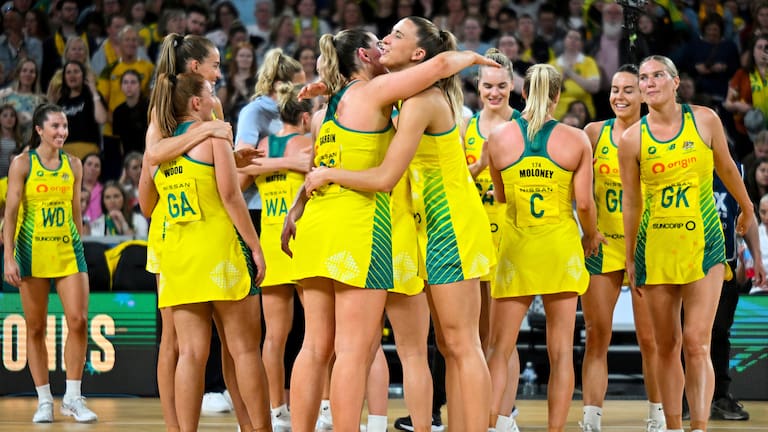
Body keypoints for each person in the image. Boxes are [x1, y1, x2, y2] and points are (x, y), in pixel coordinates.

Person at [299, 19, 498, 432]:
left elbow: (385, 177)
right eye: (384, 36)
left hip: (449, 226)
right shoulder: (403, 96)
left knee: (462, 345)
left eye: (396, 36)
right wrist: (327, 87)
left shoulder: (422, 100)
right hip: (421, 225)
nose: (386, 40)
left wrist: (326, 176)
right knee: (444, 346)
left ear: (418, 54)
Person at [618, 55, 759, 432]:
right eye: (643, 78)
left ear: (676, 81)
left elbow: (727, 167)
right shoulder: (632, 139)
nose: (648, 83)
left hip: (705, 244)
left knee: (697, 343)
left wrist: (747, 208)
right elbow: (631, 202)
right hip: (657, 247)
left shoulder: (705, 119)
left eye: (657, 76)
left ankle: (699, 425)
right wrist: (631, 257)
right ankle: (672, 426)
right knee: (667, 347)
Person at [138, 33, 263, 432]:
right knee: (221, 347)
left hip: (178, 240)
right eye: (215, 66)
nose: (219, 73)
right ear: (195, 73)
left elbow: (156, 174)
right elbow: (228, 194)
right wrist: (211, 135)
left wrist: (224, 149)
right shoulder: (168, 117)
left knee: (192, 350)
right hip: (203, 237)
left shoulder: (192, 110)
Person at [484, 63, 603, 432]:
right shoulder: (576, 138)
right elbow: (584, 204)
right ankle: (555, 430)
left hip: (516, 247)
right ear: (558, 96)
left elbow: (500, 196)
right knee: (561, 352)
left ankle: (490, 424)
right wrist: (591, 236)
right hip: (559, 247)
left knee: (498, 349)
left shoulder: (498, 138)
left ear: (522, 93)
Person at [580, 64, 665, 432]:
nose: (619, 96)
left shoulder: (658, 135)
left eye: (629, 90)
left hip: (645, 247)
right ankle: (590, 418)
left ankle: (659, 415)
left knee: (651, 339)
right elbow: (578, 193)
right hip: (603, 245)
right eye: (615, 89)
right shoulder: (594, 133)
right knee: (598, 336)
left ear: (644, 95)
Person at [3, 103, 97, 424]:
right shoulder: (21, 165)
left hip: (68, 251)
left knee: (79, 320)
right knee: (36, 327)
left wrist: (79, 244)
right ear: (39, 130)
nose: (62, 132)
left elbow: (75, 212)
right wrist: (9, 256)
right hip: (32, 253)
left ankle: (73, 397)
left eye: (65, 126)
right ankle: (44, 400)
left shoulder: (74, 164)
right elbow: (11, 215)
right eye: (55, 126)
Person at [238, 82, 314, 429]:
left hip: (269, 238)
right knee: (316, 335)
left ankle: (276, 409)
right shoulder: (307, 144)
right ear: (303, 117)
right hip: (302, 240)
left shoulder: (263, 147)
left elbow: (240, 178)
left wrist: (268, 165)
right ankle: (324, 406)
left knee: (274, 336)